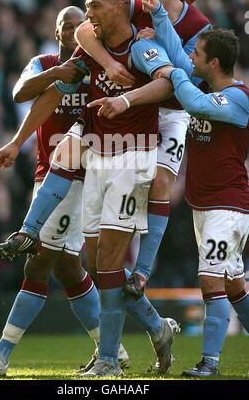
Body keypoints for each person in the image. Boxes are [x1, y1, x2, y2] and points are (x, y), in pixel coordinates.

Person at [0, 0, 181, 378]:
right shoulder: (88, 46)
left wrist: (125, 99)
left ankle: (109, 360)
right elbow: (52, 93)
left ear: (117, 8)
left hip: (133, 157)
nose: (88, 12)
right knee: (96, 265)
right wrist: (16, 142)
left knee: (107, 262)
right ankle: (157, 327)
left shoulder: (142, 47)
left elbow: (167, 81)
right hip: (97, 158)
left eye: (95, 5)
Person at [0, 6, 130, 377]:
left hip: (84, 177)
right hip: (48, 173)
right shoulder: (46, 62)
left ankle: (1, 354)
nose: (71, 30)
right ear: (56, 32)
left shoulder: (97, 65)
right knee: (69, 268)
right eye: (64, 25)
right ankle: (116, 345)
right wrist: (17, 140)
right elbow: (22, 93)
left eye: (77, 24)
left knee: (38, 260)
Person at [89, 27, 249, 377]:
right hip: (204, 205)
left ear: (215, 62)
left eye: (198, 55)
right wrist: (157, 23)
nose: (191, 59)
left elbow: (193, 101)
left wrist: (174, 74)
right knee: (235, 285)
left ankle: (209, 363)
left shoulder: (239, 97)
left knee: (211, 281)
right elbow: (177, 55)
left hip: (228, 206)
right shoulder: (207, 86)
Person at [75, 0, 211, 298]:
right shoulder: (134, 6)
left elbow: (187, 74)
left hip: (174, 111)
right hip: (138, 108)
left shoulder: (198, 25)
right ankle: (114, 264)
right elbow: (82, 30)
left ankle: (142, 272)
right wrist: (107, 62)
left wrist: (159, 25)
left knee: (162, 181)